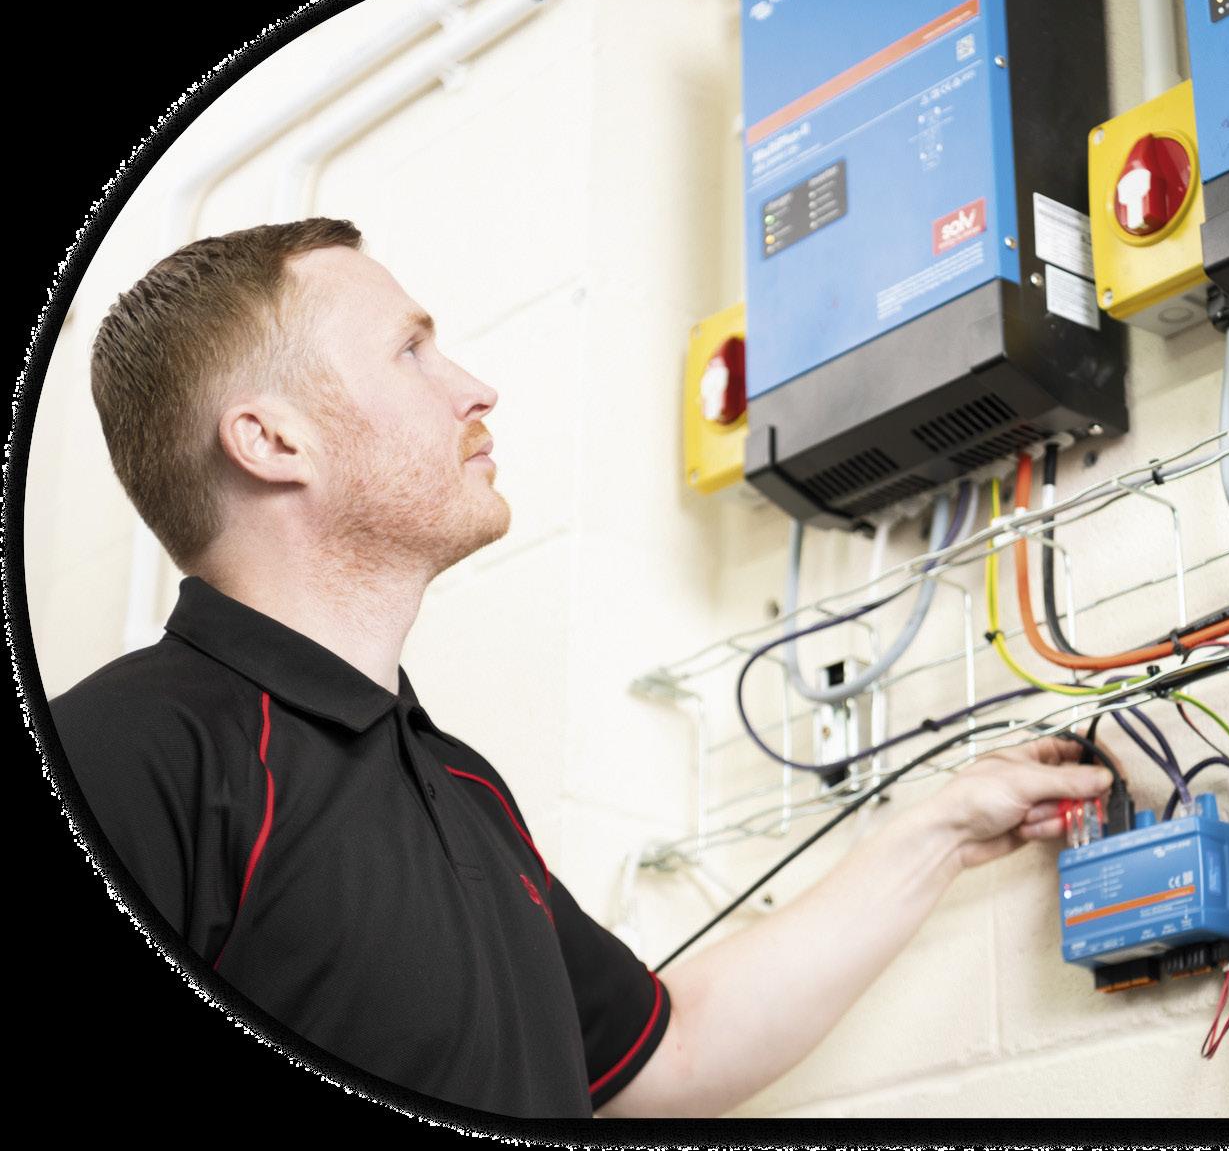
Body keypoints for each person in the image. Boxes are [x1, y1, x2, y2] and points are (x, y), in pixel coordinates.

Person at [47, 219, 1112, 1120]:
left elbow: (671, 1049)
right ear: (273, 441)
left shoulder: (457, 786)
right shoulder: (122, 755)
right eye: (410, 351)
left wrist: (939, 829)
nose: (476, 388)